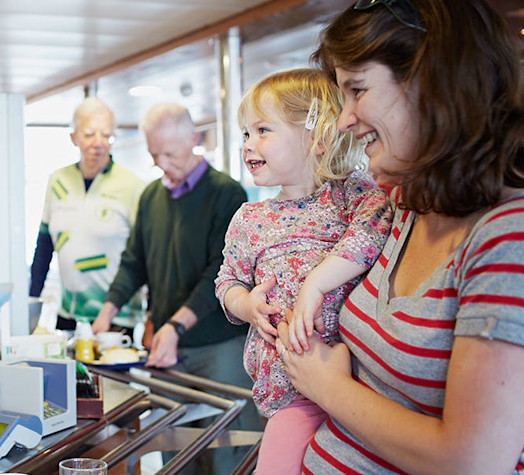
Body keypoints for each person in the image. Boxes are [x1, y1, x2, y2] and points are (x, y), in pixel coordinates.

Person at [274, 0, 524, 473]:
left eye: (358, 90)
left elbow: (471, 461)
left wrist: (326, 385)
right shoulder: (406, 208)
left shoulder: (507, 236)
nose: (345, 119)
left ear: (434, 82)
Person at [215, 68, 392, 473]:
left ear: (318, 137)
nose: (248, 144)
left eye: (263, 130)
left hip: (360, 382)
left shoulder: (352, 193)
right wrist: (247, 305)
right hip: (290, 388)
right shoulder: (249, 218)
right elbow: (227, 280)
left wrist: (316, 281)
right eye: (245, 133)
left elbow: (372, 229)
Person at [92, 102, 256, 474]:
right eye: (154, 154)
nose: (163, 163)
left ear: (194, 140)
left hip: (219, 347)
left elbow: (220, 271)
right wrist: (108, 311)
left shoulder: (227, 194)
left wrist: (175, 325)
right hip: (168, 349)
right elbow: (134, 261)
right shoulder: (151, 197)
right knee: (172, 448)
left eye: (171, 153)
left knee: (227, 449)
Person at [29, 97, 145, 333]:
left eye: (106, 135)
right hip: (68, 313)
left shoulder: (133, 186)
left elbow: (145, 257)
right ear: (74, 138)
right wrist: (31, 302)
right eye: (89, 134)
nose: (98, 143)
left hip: (116, 318)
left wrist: (153, 313)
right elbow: (44, 247)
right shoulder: (58, 181)